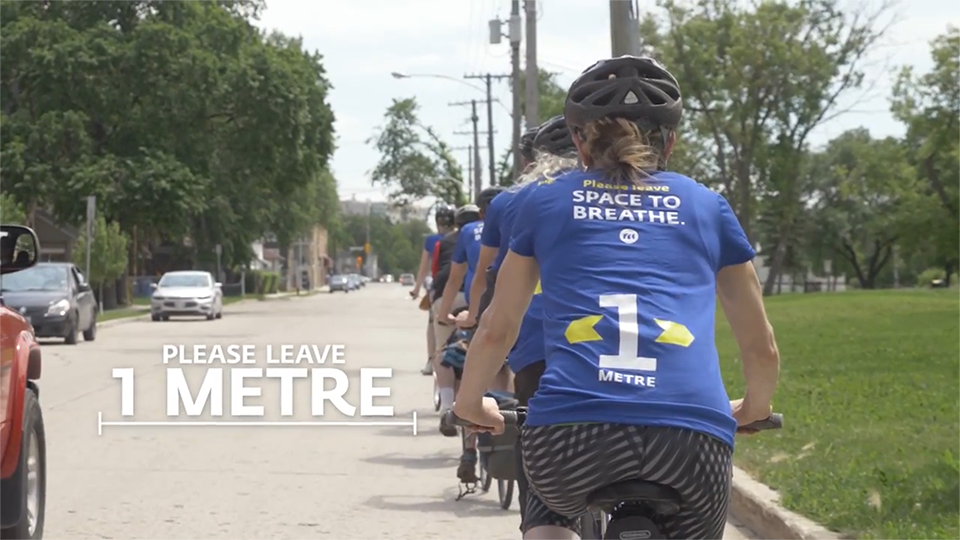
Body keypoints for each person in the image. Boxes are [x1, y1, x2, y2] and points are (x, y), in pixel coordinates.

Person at [454, 55, 781, 540]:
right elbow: (761, 346)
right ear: (670, 142)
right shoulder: (707, 205)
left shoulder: (544, 201)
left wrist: (470, 404)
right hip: (691, 442)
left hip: (571, 440)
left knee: (548, 509)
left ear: (581, 144)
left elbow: (498, 329)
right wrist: (753, 407)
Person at [457, 115, 578, 529]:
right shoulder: (638, 193)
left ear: (532, 160)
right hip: (644, 347)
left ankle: (543, 520)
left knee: (535, 434)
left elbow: (487, 271)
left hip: (533, 332)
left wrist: (473, 316)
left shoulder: (515, 200)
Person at [431, 204, 481, 435]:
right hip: (501, 301)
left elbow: (448, 277)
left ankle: (448, 408)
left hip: (460, 301)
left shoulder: (462, 236)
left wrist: (442, 316)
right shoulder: (507, 230)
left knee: (444, 354)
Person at [411, 204, 456, 375]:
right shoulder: (461, 236)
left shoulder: (432, 241)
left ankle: (431, 359)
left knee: (432, 323)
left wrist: (416, 289)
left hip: (439, 285)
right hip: (464, 285)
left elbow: (424, 268)